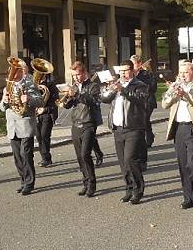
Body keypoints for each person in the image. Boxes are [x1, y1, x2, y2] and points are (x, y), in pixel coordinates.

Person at [162, 62, 193, 211]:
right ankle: (188, 197)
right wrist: (173, 95)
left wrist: (186, 95)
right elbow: (164, 104)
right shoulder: (176, 85)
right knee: (183, 165)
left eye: (185, 72)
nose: (182, 75)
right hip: (179, 129)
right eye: (180, 72)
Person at [101, 60, 150, 204]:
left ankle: (138, 189)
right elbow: (104, 99)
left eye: (126, 70)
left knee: (130, 159)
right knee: (123, 162)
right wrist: (109, 90)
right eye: (120, 71)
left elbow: (142, 100)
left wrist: (123, 90)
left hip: (133, 127)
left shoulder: (140, 85)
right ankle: (128, 188)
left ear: (133, 71)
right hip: (118, 128)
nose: (123, 73)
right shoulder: (117, 85)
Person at [0, 59, 43, 195]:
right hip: (12, 126)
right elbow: (2, 108)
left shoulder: (30, 83)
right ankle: (23, 180)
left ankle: (29, 183)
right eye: (11, 70)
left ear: (20, 71)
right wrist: (4, 101)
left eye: (15, 70)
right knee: (17, 156)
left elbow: (40, 101)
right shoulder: (8, 86)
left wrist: (29, 99)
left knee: (26, 154)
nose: (11, 73)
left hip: (25, 124)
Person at [60, 61, 103, 197]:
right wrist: (66, 99)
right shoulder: (74, 87)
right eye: (73, 76)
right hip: (76, 124)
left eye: (78, 75)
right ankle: (85, 182)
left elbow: (93, 101)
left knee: (85, 154)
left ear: (83, 73)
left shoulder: (93, 86)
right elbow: (68, 106)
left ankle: (92, 184)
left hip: (88, 123)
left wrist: (77, 94)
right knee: (79, 157)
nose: (76, 78)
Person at [132, 55, 157, 171]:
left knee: (144, 121)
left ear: (139, 63)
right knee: (143, 123)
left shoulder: (147, 74)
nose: (133, 66)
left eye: (134, 64)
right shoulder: (131, 74)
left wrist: (138, 79)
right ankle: (150, 136)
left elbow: (152, 88)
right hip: (136, 103)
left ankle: (144, 152)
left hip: (147, 102)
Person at [35, 68, 59, 167]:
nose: (40, 75)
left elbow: (56, 102)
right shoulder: (33, 86)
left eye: (42, 73)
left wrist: (45, 109)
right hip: (36, 114)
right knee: (39, 136)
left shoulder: (51, 86)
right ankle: (44, 157)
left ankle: (46, 158)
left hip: (47, 114)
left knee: (44, 136)